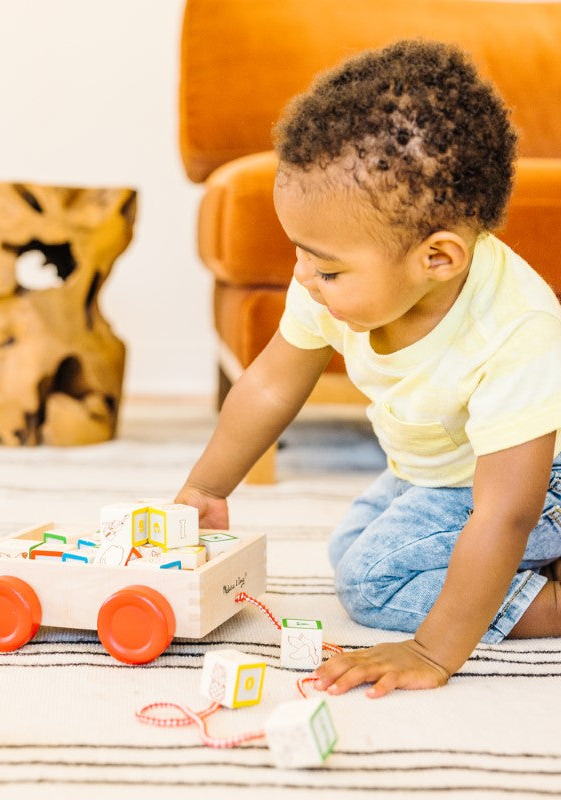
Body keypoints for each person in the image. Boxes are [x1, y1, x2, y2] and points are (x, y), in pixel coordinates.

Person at [175, 40, 561, 698]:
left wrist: (432, 651)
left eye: (325, 267)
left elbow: (505, 513)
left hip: (536, 481)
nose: (304, 278)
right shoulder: (332, 285)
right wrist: (207, 488)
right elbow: (271, 381)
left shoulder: (516, 330)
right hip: (438, 470)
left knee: (372, 582)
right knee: (351, 544)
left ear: (437, 259)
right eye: (301, 254)